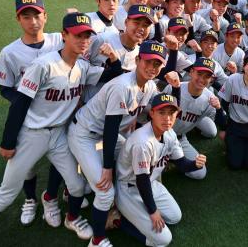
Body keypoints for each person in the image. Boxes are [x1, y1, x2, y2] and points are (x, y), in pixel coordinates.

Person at [0, 12, 123, 247]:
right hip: (32, 134)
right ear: (64, 36)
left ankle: (72, 217)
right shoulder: (43, 65)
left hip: (59, 135)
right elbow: (20, 103)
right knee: (6, 194)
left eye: (87, 36)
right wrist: (8, 142)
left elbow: (113, 73)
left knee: (76, 186)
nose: (83, 40)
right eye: (77, 35)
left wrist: (112, 56)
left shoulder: (83, 66)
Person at [68, 40, 180, 247]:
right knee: (105, 190)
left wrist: (176, 87)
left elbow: (163, 109)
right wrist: (107, 168)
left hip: (104, 134)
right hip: (85, 133)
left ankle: (125, 202)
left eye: (157, 64)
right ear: (138, 60)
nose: (152, 68)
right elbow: (111, 129)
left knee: (129, 157)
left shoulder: (149, 86)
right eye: (148, 62)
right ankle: (97, 239)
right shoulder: (123, 85)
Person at [0, 0, 65, 227]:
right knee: (28, 165)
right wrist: (26, 103)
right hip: (28, 119)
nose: (33, 21)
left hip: (58, 116)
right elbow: (5, 89)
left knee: (59, 159)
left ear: (46, 16)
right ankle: (31, 199)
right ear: (18, 19)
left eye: (37, 15)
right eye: (26, 16)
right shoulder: (9, 52)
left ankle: (50, 198)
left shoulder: (59, 40)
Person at [116, 93, 207, 246]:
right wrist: (153, 211)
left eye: (171, 113)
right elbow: (141, 180)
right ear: (152, 113)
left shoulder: (170, 134)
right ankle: (117, 220)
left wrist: (195, 164)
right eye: (161, 112)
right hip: (129, 189)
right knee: (163, 240)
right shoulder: (143, 142)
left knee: (175, 217)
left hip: (150, 183)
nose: (167, 118)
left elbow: (182, 163)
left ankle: (138, 212)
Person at [163, 57, 226, 179]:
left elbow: (222, 124)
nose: (202, 79)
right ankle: (169, 156)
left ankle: (174, 157)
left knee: (199, 172)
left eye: (207, 76)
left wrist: (219, 109)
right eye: (199, 73)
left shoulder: (210, 98)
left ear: (211, 79)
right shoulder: (174, 87)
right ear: (191, 72)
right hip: (160, 136)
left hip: (180, 138)